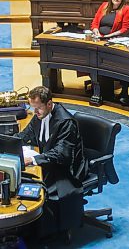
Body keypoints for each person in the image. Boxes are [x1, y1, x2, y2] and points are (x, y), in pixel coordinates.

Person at [18, 86, 86, 237]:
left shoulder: (65, 122)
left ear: (49, 104)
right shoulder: (40, 115)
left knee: (37, 187)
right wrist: (10, 144)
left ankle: (46, 230)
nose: (34, 113)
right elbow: (25, 134)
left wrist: (34, 159)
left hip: (66, 169)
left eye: (38, 108)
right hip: (50, 162)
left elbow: (62, 154)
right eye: (32, 107)